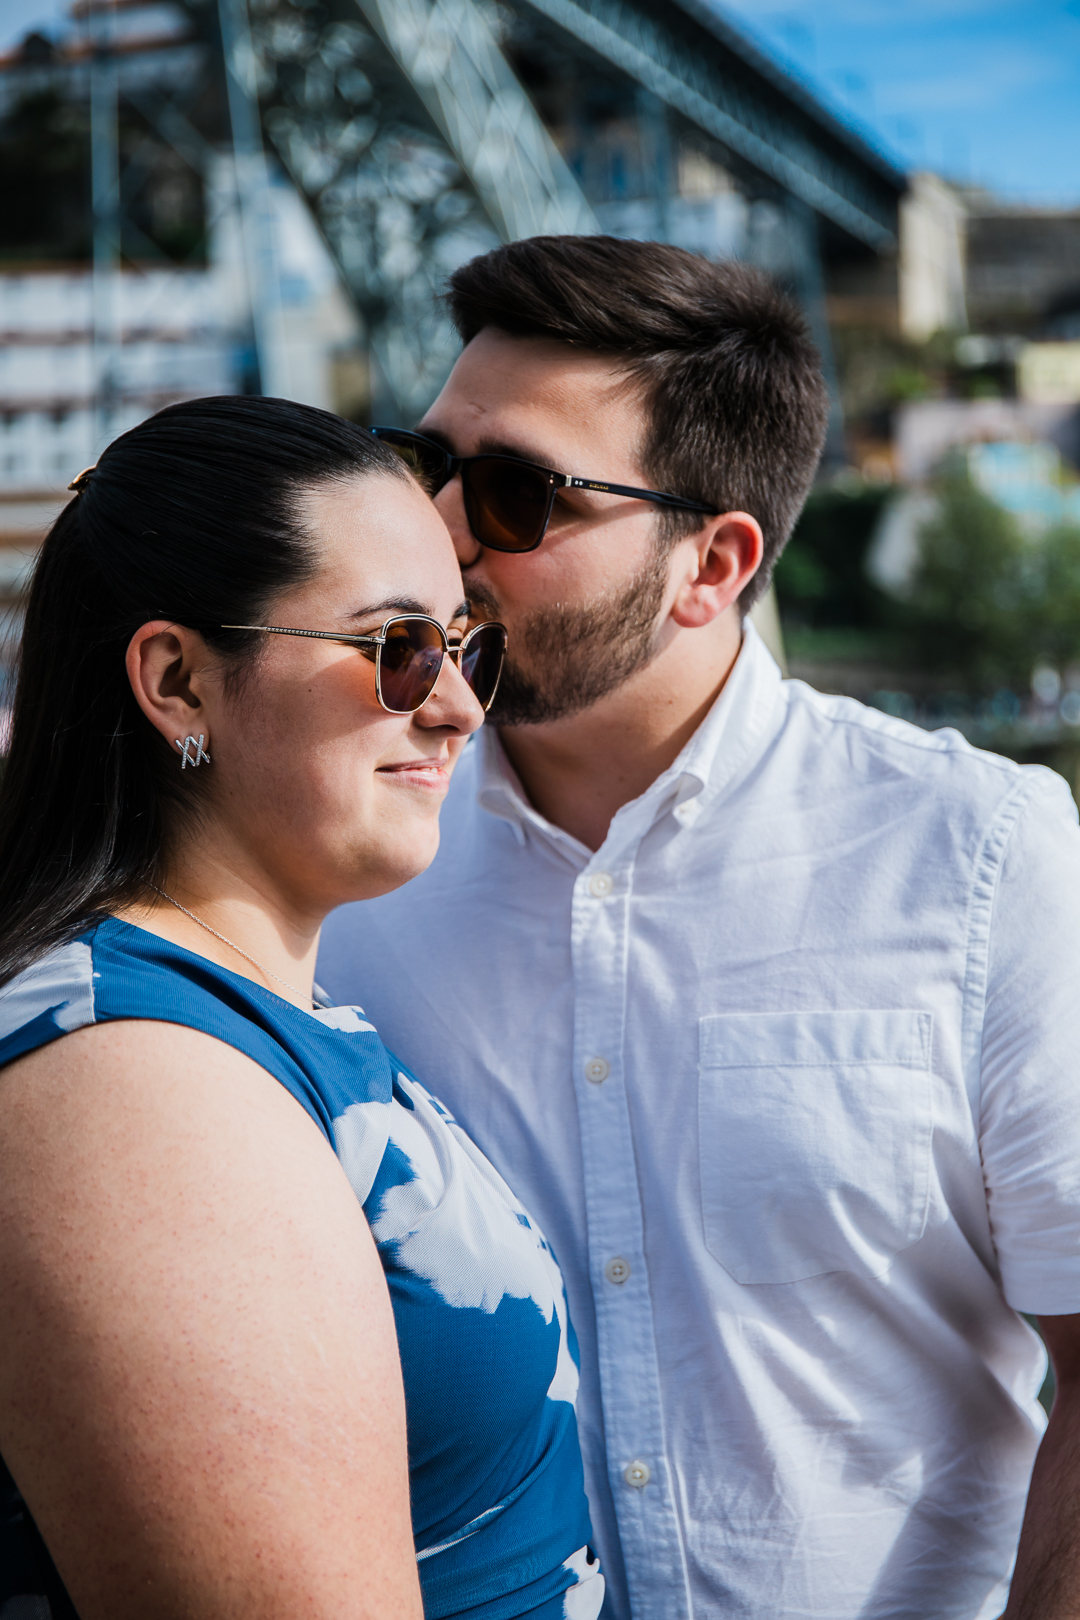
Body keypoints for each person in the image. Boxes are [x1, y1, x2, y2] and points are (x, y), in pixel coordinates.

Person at [319, 236, 1080, 1620]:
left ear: (713, 562)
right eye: (420, 464)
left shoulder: (977, 858)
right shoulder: (344, 862)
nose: (435, 532)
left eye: (511, 493)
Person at [0, 395, 605, 1620]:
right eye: (396, 648)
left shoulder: (244, 1027)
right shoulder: (138, 1094)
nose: (457, 705)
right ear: (178, 681)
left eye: (463, 647)